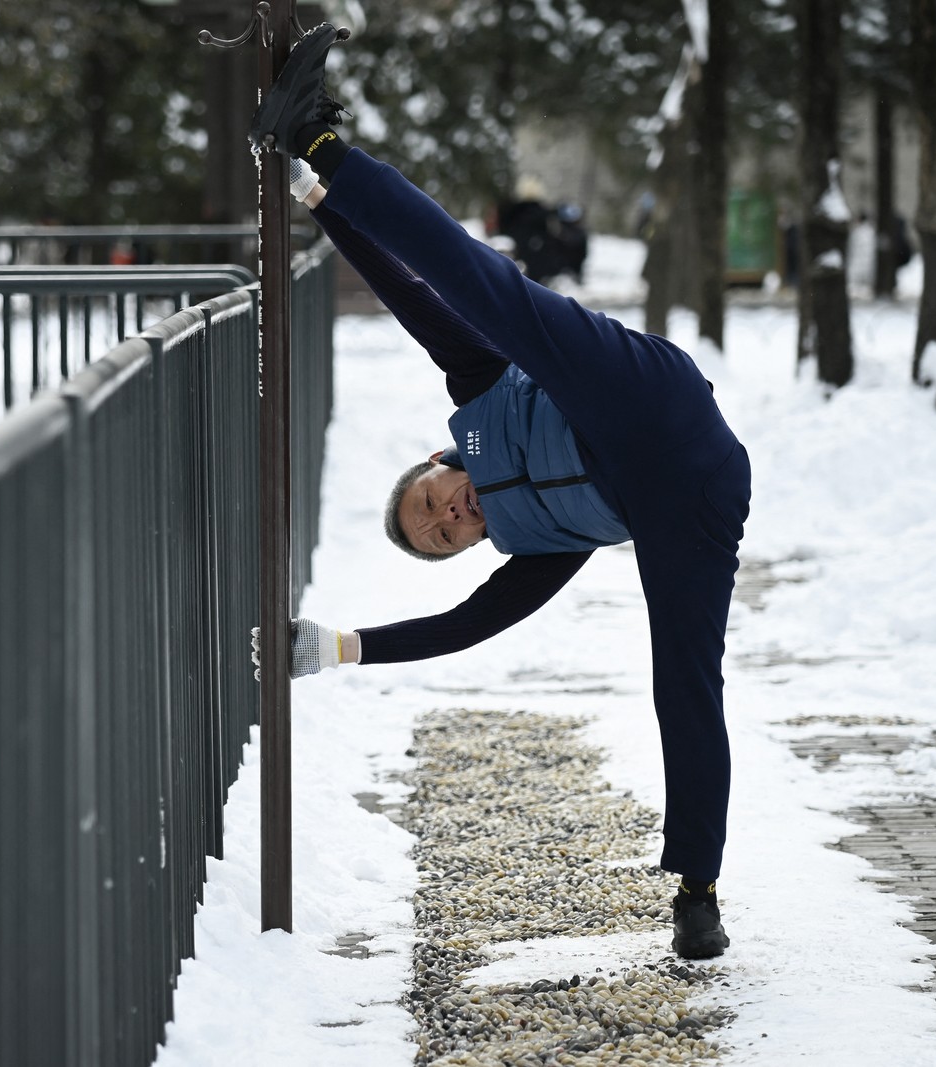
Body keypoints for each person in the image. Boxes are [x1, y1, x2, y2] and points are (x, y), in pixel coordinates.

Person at [249, 23, 751, 960]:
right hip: (691, 499)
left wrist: (321, 201)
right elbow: (468, 628)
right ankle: (699, 886)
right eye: (443, 538)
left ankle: (316, 139)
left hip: (635, 391)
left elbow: (416, 286)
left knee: (485, 288)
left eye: (433, 500)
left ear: (441, 460)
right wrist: (340, 649)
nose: (449, 516)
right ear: (469, 549)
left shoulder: (479, 389)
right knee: (684, 680)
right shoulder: (539, 543)